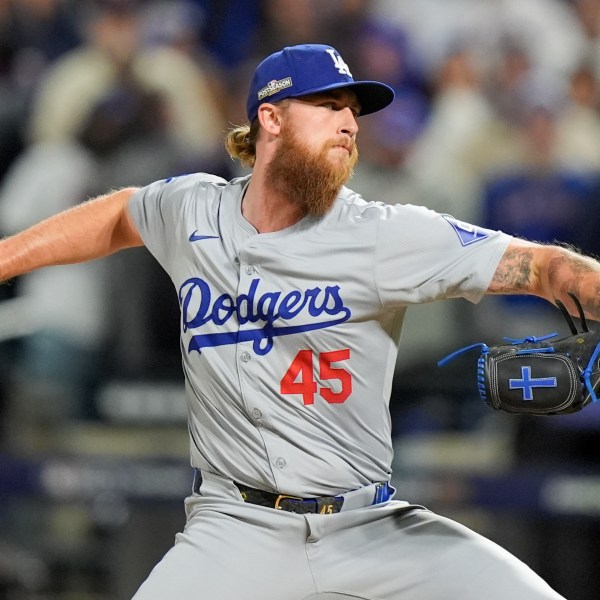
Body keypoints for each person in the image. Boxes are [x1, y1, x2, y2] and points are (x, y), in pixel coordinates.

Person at [3, 42, 597, 600]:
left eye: (354, 111)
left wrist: (581, 284)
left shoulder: (381, 233)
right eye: (329, 105)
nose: (351, 123)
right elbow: (118, 215)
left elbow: (544, 267)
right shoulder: (192, 210)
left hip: (371, 526)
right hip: (233, 528)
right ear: (272, 119)